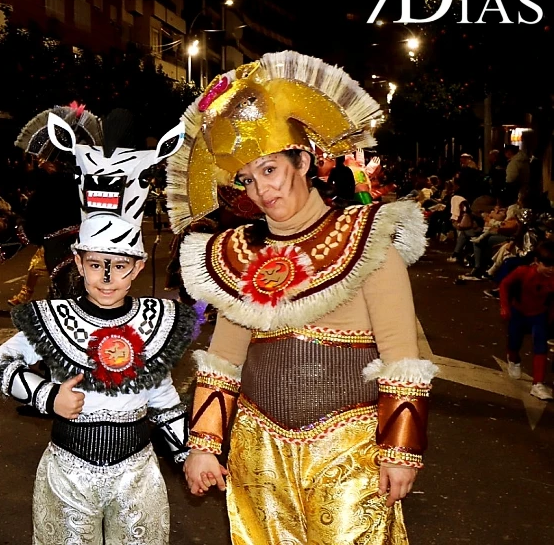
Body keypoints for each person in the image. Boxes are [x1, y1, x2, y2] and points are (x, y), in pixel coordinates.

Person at [166, 51, 437, 545]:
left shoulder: (368, 238)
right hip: (257, 452)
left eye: (269, 169)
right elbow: (224, 359)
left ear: (304, 161)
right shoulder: (239, 253)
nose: (260, 190)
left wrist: (401, 450)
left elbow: (401, 353)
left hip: (350, 452)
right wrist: (204, 444)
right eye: (247, 179)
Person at [0, 108, 195, 545]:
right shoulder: (52, 319)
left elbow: (163, 398)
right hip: (67, 475)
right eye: (97, 264)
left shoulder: (154, 321)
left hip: (137, 478)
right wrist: (48, 397)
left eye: (119, 265)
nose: (107, 277)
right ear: (79, 264)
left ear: (138, 268)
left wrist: (189, 455)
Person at [0, 103, 101, 299]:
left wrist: (0, 254)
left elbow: (32, 226)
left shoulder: (54, 185)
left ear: (54, 158)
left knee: (69, 309)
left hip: (66, 260)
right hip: (97, 258)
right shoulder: (92, 181)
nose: (40, 162)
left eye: (43, 157)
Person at [499, 240, 554, 401]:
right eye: (547, 265)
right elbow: (504, 285)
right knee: (514, 343)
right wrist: (505, 306)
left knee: (540, 346)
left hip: (539, 315)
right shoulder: (523, 272)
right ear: (537, 261)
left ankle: (538, 384)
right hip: (519, 312)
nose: (551, 269)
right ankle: (513, 359)